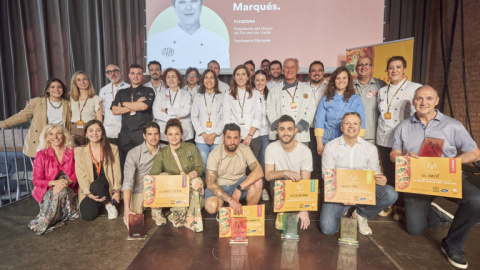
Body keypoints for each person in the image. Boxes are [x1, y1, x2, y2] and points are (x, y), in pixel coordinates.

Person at [390, 86, 480, 269]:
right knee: (415, 230)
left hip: (447, 177)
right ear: (414, 101)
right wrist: (402, 158)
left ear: (436, 101)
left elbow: (475, 153)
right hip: (417, 182)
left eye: (429, 98)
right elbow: (394, 153)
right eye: (419, 99)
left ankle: (453, 245)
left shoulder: (453, 125)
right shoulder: (403, 127)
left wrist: (452, 162)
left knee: (476, 199)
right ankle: (436, 215)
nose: (424, 102)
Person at [320, 112, 398, 236]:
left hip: (362, 190)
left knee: (390, 193)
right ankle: (344, 208)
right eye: (347, 123)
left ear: (360, 128)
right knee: (328, 229)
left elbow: (375, 173)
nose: (351, 126)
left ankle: (361, 214)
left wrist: (381, 178)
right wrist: (345, 196)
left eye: (355, 123)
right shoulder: (330, 147)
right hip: (339, 191)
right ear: (341, 127)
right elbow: (327, 176)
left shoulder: (370, 148)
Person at [376, 56, 422, 220]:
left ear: (404, 69)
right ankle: (390, 203)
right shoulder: (381, 91)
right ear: (387, 71)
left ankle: (401, 206)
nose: (394, 70)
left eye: (398, 67)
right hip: (384, 137)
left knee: (404, 172)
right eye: (391, 68)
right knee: (388, 171)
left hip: (405, 138)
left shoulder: (415, 88)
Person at [149, 119, 205, 232]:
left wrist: (196, 172)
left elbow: (200, 167)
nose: (173, 137)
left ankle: (193, 219)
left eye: (177, 134)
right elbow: (153, 174)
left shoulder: (190, 147)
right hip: (176, 187)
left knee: (197, 182)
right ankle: (177, 212)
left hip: (191, 183)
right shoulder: (162, 152)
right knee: (162, 176)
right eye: (170, 134)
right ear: (166, 136)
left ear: (182, 135)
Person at [0, 78, 71, 158]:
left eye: (59, 87)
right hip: (42, 141)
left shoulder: (68, 103)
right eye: (52, 87)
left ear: (63, 89)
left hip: (60, 141)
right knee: (41, 168)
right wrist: (4, 124)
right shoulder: (36, 102)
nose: (56, 89)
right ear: (48, 89)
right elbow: (22, 116)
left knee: (58, 169)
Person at [147, 0, 230, 69]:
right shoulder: (156, 41)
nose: (188, 8)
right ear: (174, 8)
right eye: (182, 2)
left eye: (193, 1)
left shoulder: (218, 42)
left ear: (201, 6)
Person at [29, 124, 78, 235]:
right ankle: (52, 219)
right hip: (48, 189)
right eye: (50, 134)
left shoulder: (73, 151)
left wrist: (67, 182)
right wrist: (55, 183)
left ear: (64, 135)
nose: (55, 136)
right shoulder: (41, 154)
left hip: (70, 186)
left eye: (58, 133)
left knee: (62, 191)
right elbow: (36, 180)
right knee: (57, 191)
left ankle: (45, 222)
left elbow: (80, 172)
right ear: (46, 137)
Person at [264, 115, 312, 230]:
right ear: (277, 131)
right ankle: (281, 211)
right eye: (282, 129)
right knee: (275, 180)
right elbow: (268, 175)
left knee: (298, 223)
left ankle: (292, 210)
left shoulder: (305, 151)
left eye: (289, 129)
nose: (286, 133)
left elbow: (305, 182)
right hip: (279, 187)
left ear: (295, 130)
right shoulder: (271, 148)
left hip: (297, 188)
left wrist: (304, 209)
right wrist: (285, 172)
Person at [204, 123, 264, 215]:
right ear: (223, 138)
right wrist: (230, 200)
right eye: (229, 138)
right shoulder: (214, 154)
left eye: (235, 138)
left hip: (238, 184)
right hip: (220, 186)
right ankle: (228, 210)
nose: (232, 142)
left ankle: (248, 213)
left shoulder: (245, 149)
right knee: (210, 206)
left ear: (240, 138)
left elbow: (259, 172)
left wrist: (239, 188)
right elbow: (210, 184)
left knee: (258, 181)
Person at [75, 120, 122, 221]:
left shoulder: (113, 149)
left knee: (96, 185)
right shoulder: (79, 151)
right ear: (86, 134)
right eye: (91, 131)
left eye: (98, 130)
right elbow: (81, 175)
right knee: (88, 215)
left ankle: (109, 205)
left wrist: (117, 191)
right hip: (90, 189)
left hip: (106, 184)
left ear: (102, 133)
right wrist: (89, 194)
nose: (94, 133)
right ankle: (101, 203)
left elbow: (117, 172)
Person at [315, 66, 366, 155]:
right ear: (334, 81)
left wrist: (359, 144)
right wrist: (319, 144)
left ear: (349, 80)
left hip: (349, 142)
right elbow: (319, 123)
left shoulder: (356, 99)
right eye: (338, 78)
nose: (341, 81)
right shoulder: (325, 99)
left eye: (344, 78)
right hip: (328, 141)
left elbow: (362, 122)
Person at [122, 122, 165, 227]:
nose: (153, 137)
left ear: (160, 135)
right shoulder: (134, 153)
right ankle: (132, 210)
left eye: (156, 134)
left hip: (157, 190)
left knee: (164, 175)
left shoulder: (166, 149)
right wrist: (127, 209)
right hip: (139, 190)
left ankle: (156, 210)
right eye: (150, 134)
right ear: (144, 136)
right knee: (134, 223)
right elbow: (128, 181)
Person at [267, 58, 316, 146]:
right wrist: (282, 129)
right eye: (287, 67)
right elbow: (270, 110)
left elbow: (310, 110)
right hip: (280, 135)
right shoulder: (274, 90)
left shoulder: (307, 89)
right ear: (283, 70)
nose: (289, 70)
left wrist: (297, 129)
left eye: (293, 67)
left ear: (297, 69)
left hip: (300, 135)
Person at [111, 64, 155, 158]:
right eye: (133, 73)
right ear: (129, 75)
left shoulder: (148, 90)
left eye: (138, 74)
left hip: (141, 133)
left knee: (143, 161)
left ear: (143, 76)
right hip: (125, 133)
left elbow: (143, 106)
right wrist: (134, 104)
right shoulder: (122, 92)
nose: (136, 76)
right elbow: (114, 110)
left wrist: (123, 103)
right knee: (125, 163)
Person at [222, 65, 262, 156]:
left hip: (253, 137)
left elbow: (258, 116)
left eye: (243, 74)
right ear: (234, 77)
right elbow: (226, 117)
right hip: (234, 138)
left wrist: (249, 136)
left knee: (251, 167)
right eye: (238, 74)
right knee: (237, 167)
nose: (240, 77)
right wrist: (231, 137)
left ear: (248, 77)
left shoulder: (255, 94)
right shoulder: (228, 95)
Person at [191, 69, 224, 169]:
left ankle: (215, 185)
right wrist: (204, 134)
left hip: (217, 138)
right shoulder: (198, 97)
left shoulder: (222, 96)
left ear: (215, 80)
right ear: (202, 80)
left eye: (211, 77)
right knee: (204, 166)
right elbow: (194, 117)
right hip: (202, 138)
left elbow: (224, 117)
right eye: (206, 77)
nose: (209, 80)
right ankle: (207, 185)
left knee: (217, 166)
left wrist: (214, 134)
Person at [152, 68, 194, 144]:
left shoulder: (186, 94)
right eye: (168, 77)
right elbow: (156, 113)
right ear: (165, 80)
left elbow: (186, 111)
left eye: (173, 76)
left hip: (184, 133)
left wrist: (167, 110)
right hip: (164, 134)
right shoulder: (160, 95)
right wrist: (174, 118)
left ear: (178, 80)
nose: (171, 79)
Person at [353, 56, 386, 145]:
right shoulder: (349, 85)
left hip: (373, 136)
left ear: (372, 67)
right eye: (360, 65)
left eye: (366, 64)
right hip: (352, 134)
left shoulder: (381, 85)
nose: (363, 67)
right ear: (356, 68)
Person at [99, 64, 130, 145]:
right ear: (106, 75)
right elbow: (102, 110)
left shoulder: (129, 87)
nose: (112, 74)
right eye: (109, 72)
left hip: (125, 129)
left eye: (115, 71)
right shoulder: (103, 90)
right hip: (109, 129)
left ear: (120, 72)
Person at [69, 71, 103, 146]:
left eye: (84, 79)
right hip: (74, 130)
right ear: (75, 83)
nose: (82, 82)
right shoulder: (71, 99)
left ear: (89, 81)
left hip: (89, 129)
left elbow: (100, 120)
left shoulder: (96, 99)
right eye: (78, 80)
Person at [308, 60, 328, 180]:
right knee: (311, 161)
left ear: (323, 72)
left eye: (319, 70)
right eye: (314, 71)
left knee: (325, 161)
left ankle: (325, 192)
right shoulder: (303, 88)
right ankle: (313, 191)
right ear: (309, 73)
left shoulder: (330, 86)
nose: (317, 73)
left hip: (325, 130)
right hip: (308, 130)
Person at [253, 70, 270, 201]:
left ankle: (263, 188)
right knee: (252, 163)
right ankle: (252, 188)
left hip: (266, 133)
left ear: (266, 81)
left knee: (263, 162)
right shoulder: (249, 95)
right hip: (253, 134)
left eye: (262, 80)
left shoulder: (270, 95)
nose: (260, 83)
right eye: (257, 80)